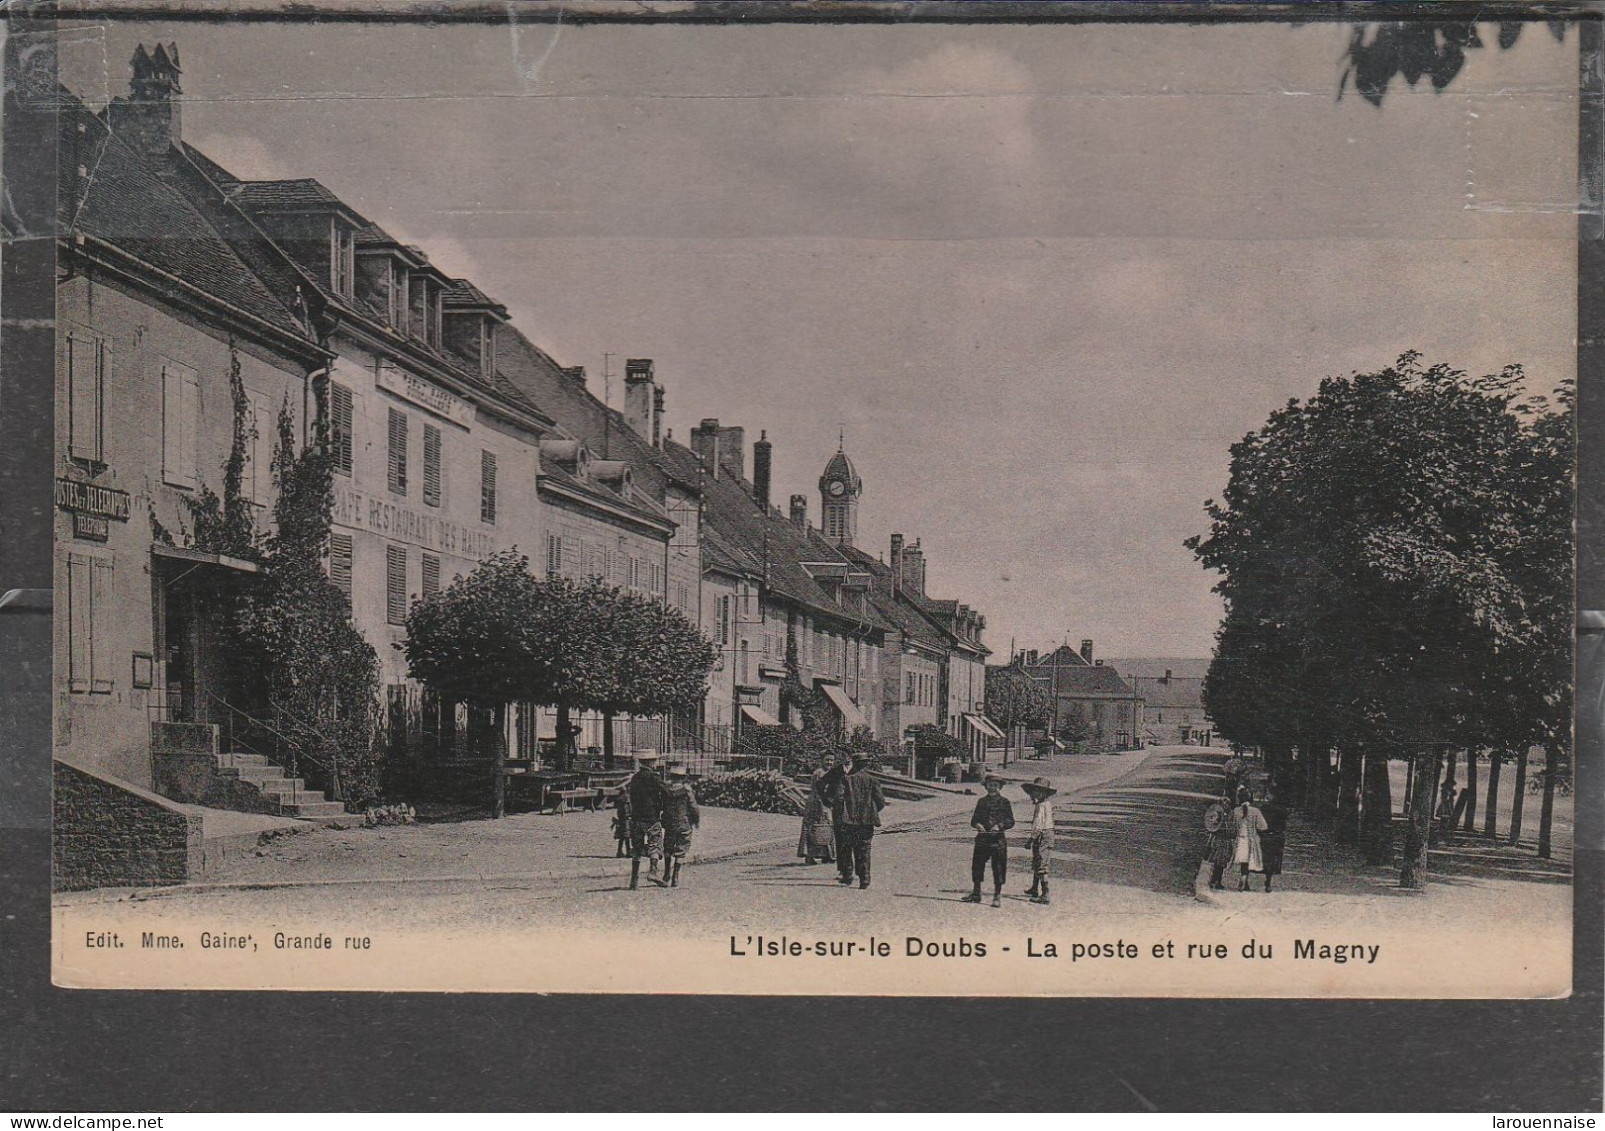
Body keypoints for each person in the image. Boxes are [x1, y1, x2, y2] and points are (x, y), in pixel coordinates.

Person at [820, 751, 886, 889]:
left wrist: (835, 808)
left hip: (847, 821)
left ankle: (848, 875)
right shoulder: (872, 780)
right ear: (867, 764)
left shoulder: (846, 779)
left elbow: (838, 798)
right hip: (866, 821)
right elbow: (880, 802)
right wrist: (870, 811)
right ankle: (865, 879)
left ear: (854, 764)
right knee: (864, 849)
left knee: (845, 848)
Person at [963, 774, 1015, 907]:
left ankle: (997, 896)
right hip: (982, 839)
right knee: (977, 866)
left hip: (998, 841)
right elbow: (974, 820)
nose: (993, 788)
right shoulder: (981, 802)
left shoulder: (1005, 802)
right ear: (986, 787)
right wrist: (978, 825)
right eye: (990, 785)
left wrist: (1000, 826)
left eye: (996, 786)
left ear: (1000, 787)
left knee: (998, 867)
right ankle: (976, 893)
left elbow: (1010, 821)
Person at [625, 752, 669, 890]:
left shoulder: (635, 778)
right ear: (651, 762)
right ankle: (653, 872)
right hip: (651, 816)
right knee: (655, 843)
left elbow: (631, 796)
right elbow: (666, 792)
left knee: (637, 847)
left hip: (636, 816)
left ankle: (634, 880)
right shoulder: (654, 778)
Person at [661, 764, 700, 888]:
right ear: (683, 777)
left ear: (671, 777)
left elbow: (662, 805)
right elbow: (694, 807)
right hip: (684, 823)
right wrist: (696, 821)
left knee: (668, 847)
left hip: (670, 823)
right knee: (681, 849)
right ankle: (675, 877)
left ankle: (666, 873)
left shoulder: (666, 789)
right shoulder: (686, 790)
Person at [1021, 777, 1057, 905]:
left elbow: (1038, 825)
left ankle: (1045, 893)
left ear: (1045, 793)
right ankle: (1034, 888)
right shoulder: (1046, 804)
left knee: (1041, 862)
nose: (1035, 793)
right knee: (1037, 859)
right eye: (1034, 791)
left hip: (1042, 835)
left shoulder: (1041, 806)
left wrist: (1031, 839)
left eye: (1039, 791)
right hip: (1046, 833)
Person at [797, 761, 837, 866]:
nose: (829, 762)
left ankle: (826, 855)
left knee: (827, 827)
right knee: (813, 828)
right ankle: (809, 856)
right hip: (816, 802)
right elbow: (818, 790)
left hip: (826, 803)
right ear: (822, 759)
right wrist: (821, 806)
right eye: (827, 759)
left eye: (831, 760)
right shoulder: (818, 773)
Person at [1232, 788, 1269, 892]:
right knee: (1248, 861)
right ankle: (1244, 877)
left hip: (1239, 839)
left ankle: (1245, 882)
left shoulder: (1236, 811)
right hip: (1251, 839)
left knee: (1243, 861)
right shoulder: (1255, 811)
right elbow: (1263, 826)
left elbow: (1233, 826)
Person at [1202, 792, 1235, 891]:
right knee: (1218, 862)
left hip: (1223, 840)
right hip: (1220, 840)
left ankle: (1216, 881)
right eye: (1224, 803)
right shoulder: (1218, 814)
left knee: (1221, 862)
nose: (1225, 805)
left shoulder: (1229, 814)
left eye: (1227, 804)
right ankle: (1214, 881)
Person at [1259, 789, 1288, 893]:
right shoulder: (1282, 810)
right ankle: (1268, 881)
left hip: (1265, 835)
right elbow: (1284, 824)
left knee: (1262, 857)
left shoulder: (1263, 808)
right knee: (1272, 860)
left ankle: (1245, 880)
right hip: (1276, 836)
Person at [611, 777, 633, 858]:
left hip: (621, 818)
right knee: (626, 835)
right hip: (625, 819)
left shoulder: (619, 798)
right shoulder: (626, 798)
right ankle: (627, 851)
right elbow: (627, 810)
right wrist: (630, 815)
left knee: (622, 836)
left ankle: (620, 851)